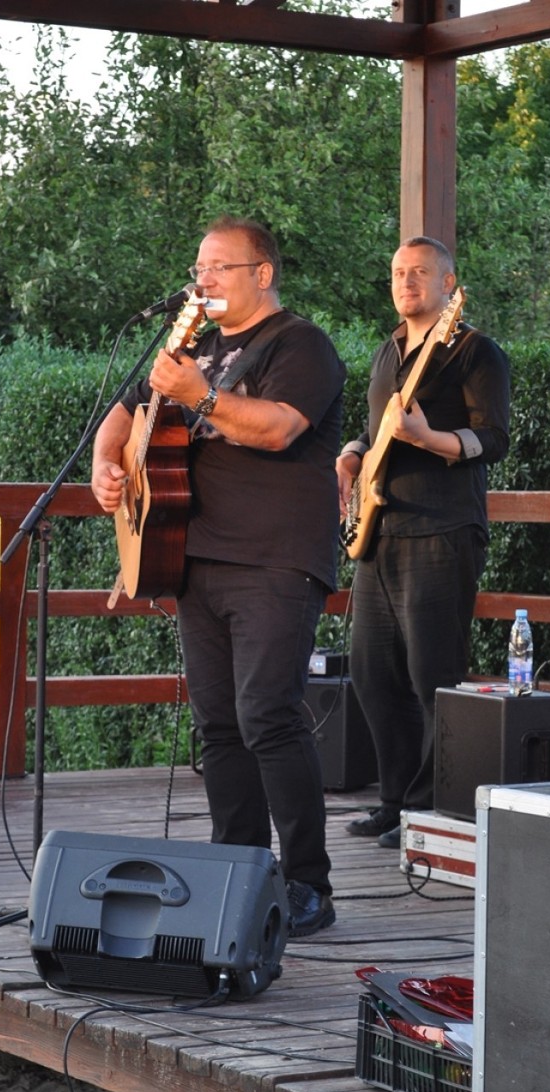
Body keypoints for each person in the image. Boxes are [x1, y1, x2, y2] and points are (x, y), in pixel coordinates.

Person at [91, 215, 346, 936]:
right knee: (219, 725)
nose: (201, 280)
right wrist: (106, 469)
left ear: (262, 274)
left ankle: (307, 884)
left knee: (268, 713)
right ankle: (235, 868)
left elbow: (277, 428)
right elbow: (120, 418)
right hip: (193, 559)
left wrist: (201, 393)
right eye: (198, 267)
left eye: (218, 268)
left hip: (274, 559)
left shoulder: (302, 344)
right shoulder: (190, 345)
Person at [337, 236, 510, 848]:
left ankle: (430, 810)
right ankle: (395, 801)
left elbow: (493, 439)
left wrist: (429, 436)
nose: (406, 281)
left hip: (442, 530)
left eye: (420, 273)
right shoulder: (388, 351)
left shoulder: (472, 351)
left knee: (433, 675)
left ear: (447, 285)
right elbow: (376, 429)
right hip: (380, 534)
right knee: (371, 675)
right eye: (398, 272)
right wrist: (355, 453)